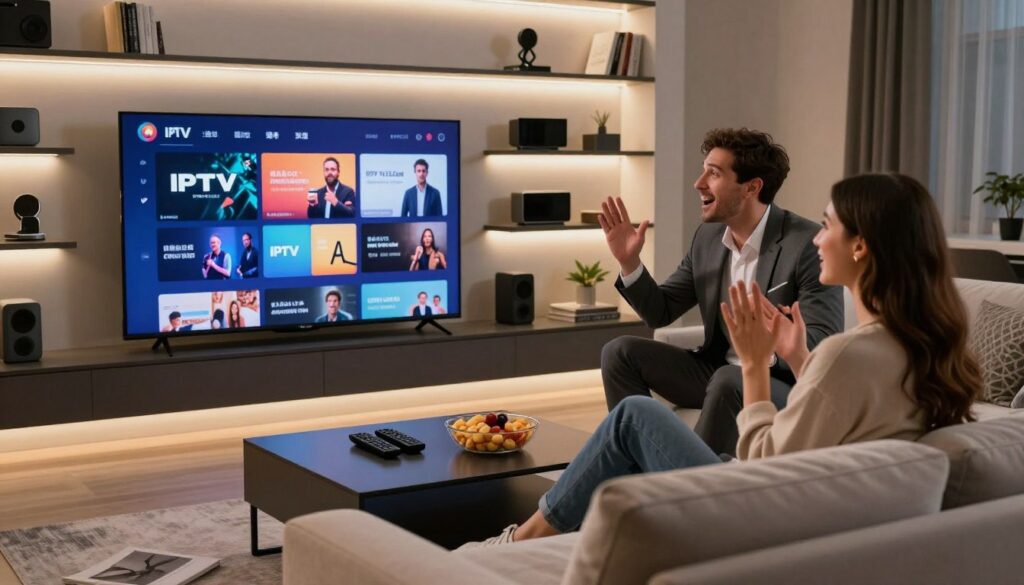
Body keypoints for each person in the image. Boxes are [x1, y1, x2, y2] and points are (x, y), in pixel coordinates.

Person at [465, 172, 982, 547]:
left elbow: (762, 461)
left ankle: (523, 540)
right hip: (810, 503)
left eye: (829, 227)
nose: (820, 237)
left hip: (756, 516)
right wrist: (799, 356)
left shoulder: (847, 347)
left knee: (635, 418)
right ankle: (610, 505)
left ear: (861, 247)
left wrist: (758, 365)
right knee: (623, 355)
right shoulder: (921, 346)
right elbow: (840, 415)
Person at [600, 128, 844, 456]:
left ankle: (690, 486)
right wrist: (629, 262)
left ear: (752, 187)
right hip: (716, 372)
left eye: (713, 174)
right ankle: (641, 460)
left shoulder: (806, 244)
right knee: (620, 353)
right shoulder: (709, 238)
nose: (699, 183)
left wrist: (770, 346)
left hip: (781, 383)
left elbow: (823, 343)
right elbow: (661, 310)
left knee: (731, 379)